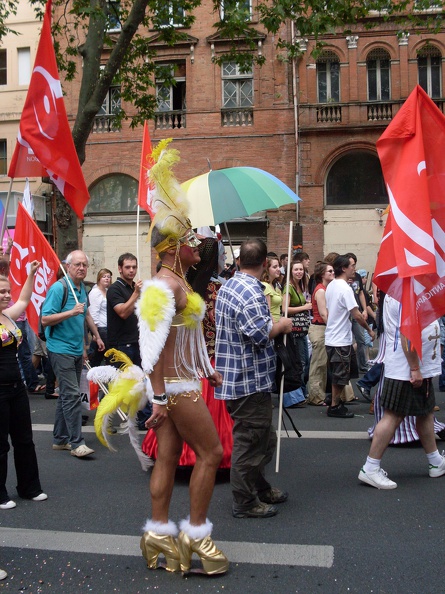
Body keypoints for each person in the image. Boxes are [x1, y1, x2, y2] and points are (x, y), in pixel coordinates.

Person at [137, 139, 228, 575]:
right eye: (192, 237)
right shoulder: (163, 286)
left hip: (182, 382)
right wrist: (157, 399)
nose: (199, 242)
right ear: (173, 247)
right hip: (175, 389)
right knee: (211, 453)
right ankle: (197, 538)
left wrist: (208, 369)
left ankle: (157, 533)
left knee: (169, 460)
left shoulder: (179, 282)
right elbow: (149, 348)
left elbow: (184, 341)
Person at [215, 238, 292, 519]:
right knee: (250, 441)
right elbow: (259, 334)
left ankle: (258, 486)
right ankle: (244, 502)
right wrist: (281, 324)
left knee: (262, 439)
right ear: (262, 264)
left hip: (240, 378)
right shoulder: (250, 291)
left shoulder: (229, 285)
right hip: (248, 380)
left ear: (238, 262)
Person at [359, 294, 445, 489]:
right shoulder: (405, 291)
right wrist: (414, 368)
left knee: (425, 411)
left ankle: (435, 462)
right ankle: (370, 468)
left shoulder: (407, 288)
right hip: (406, 368)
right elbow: (407, 331)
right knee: (393, 415)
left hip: (416, 366)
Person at [41, 250, 104, 458]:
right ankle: (77, 443)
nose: (81, 268)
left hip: (77, 350)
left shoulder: (81, 289)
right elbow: (45, 319)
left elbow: (85, 313)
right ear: (67, 266)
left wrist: (95, 336)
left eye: (84, 265)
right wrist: (71, 312)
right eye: (77, 264)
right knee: (72, 396)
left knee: (67, 396)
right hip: (60, 350)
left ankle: (60, 439)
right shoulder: (59, 289)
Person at [0, 261, 47, 509]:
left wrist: (30, 274)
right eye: (2, 292)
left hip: (17, 387)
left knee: (24, 440)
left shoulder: (8, 315)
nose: (7, 295)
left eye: (8, 291)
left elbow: (25, 300)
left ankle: (29, 487)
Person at [325, 254, 375, 418]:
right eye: (352, 265)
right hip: (339, 338)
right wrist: (369, 329)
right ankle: (334, 405)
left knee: (339, 374)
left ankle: (336, 402)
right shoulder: (344, 288)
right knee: (340, 375)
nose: (354, 268)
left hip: (333, 336)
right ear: (344, 268)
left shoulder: (332, 285)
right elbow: (357, 315)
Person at [307, 261, 335, 405]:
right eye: (329, 271)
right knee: (318, 365)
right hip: (320, 328)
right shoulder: (321, 290)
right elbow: (324, 314)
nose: (332, 273)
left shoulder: (324, 289)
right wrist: (334, 327)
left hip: (322, 328)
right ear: (322, 274)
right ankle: (316, 396)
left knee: (323, 364)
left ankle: (320, 395)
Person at [283, 260, 312, 391]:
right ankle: (300, 391)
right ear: (290, 271)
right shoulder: (288, 287)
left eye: (301, 269)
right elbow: (285, 309)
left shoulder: (299, 286)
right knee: (301, 360)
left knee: (306, 358)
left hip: (302, 329)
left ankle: (303, 389)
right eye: (296, 270)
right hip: (295, 328)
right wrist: (304, 307)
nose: (299, 272)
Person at [87, 268, 112, 367]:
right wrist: (95, 332)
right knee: (102, 355)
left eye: (108, 277)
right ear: (99, 278)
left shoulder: (107, 291)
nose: (107, 279)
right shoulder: (95, 292)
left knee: (100, 356)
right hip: (101, 328)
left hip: (108, 327)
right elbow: (93, 313)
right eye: (104, 277)